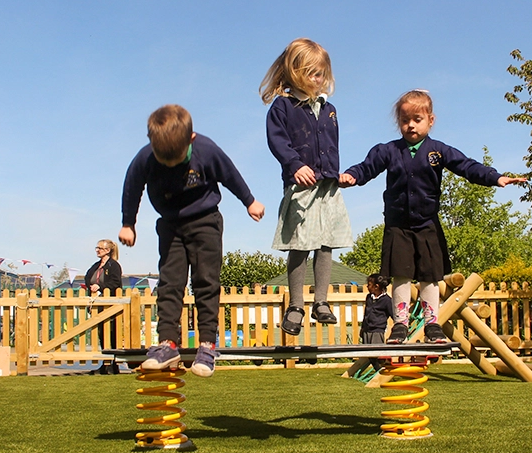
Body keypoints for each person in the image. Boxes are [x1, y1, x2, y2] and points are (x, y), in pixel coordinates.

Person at [340, 89, 527, 343]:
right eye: (405, 121)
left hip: (427, 224)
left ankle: (432, 324)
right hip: (398, 226)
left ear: (431, 120)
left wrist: (495, 177)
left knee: (429, 277)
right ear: (399, 123)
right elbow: (366, 167)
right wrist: (352, 176)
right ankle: (400, 326)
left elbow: (467, 166)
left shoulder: (438, 151)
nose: (411, 125)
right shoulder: (388, 151)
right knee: (402, 276)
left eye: (417, 119)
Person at [119, 104, 264, 377]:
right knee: (170, 283)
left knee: (206, 282)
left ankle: (208, 346)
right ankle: (167, 345)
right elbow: (132, 186)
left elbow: (229, 173)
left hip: (205, 221)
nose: (171, 165)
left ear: (191, 138)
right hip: (170, 225)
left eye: (177, 159)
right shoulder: (146, 158)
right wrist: (128, 223)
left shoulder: (206, 150)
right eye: (165, 161)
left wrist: (249, 201)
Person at [261, 38, 352, 335]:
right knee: (301, 243)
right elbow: (278, 141)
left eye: (322, 73)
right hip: (302, 184)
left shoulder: (329, 109)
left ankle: (322, 302)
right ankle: (297, 305)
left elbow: (330, 144)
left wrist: (336, 172)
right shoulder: (283, 107)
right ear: (296, 72)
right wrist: (295, 165)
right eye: (313, 73)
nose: (319, 79)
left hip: (327, 184)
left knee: (325, 242)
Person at [85, 239, 124, 374]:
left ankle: (113, 364)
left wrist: (101, 286)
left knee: (111, 334)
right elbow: (88, 277)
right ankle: (106, 363)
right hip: (98, 305)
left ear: (108, 250)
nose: (97, 250)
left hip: (110, 306)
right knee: (102, 334)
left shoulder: (114, 266)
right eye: (97, 248)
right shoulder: (96, 266)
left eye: (100, 248)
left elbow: (116, 282)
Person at [360, 274, 393, 345]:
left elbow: (393, 315)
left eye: (369, 285)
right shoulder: (369, 297)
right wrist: (363, 328)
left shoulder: (387, 300)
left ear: (376, 286)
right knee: (365, 353)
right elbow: (366, 313)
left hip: (377, 332)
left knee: (376, 353)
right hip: (366, 331)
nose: (367, 287)